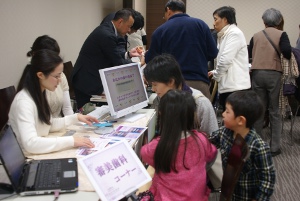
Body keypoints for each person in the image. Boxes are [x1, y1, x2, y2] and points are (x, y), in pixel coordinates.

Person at [9, 49, 99, 156]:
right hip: (26, 156)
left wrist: (76, 117)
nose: (60, 80)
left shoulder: (39, 94)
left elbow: (47, 124)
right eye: (56, 76)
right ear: (40, 75)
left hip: (36, 152)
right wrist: (71, 141)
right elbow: (30, 143)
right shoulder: (24, 102)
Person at [140, 89, 217, 201]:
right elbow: (212, 153)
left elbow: (144, 153)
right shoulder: (201, 139)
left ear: (161, 114)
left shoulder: (158, 146)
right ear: (192, 114)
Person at [209, 90, 275, 200]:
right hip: (228, 191)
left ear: (240, 120)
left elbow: (267, 180)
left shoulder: (258, 146)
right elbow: (208, 141)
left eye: (227, 111)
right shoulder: (224, 132)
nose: (223, 114)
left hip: (246, 196)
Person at [145, 0, 218, 99]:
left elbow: (151, 61)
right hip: (199, 82)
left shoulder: (160, 30)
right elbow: (213, 53)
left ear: (168, 10)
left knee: (172, 114)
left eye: (164, 15)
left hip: (171, 86)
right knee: (201, 112)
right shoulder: (201, 25)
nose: (165, 18)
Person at [71, 9, 142, 109]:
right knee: (88, 115)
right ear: (120, 22)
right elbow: (118, 62)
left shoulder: (110, 30)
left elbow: (113, 54)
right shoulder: (107, 35)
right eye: (129, 27)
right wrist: (139, 65)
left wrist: (128, 54)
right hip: (86, 81)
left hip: (92, 77)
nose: (129, 30)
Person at [248, 8, 292, 156]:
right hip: (274, 74)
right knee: (274, 111)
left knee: (259, 110)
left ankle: (257, 144)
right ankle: (274, 147)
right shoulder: (282, 34)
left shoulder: (255, 36)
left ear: (264, 21)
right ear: (279, 21)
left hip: (257, 74)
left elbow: (249, 53)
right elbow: (286, 52)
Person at [143, 54, 218, 136]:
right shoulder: (161, 98)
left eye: (155, 84)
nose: (153, 89)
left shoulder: (200, 103)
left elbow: (213, 138)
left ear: (171, 81)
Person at [19, 35, 74, 117]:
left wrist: (74, 120)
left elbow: (67, 109)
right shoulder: (30, 87)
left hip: (56, 125)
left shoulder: (60, 75)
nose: (59, 79)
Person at [208, 6, 251, 112]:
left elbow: (225, 60)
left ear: (225, 19)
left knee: (236, 121)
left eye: (215, 19)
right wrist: (214, 72)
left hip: (235, 88)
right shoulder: (224, 34)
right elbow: (228, 60)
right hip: (230, 86)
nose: (213, 23)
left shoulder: (234, 33)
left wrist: (217, 75)